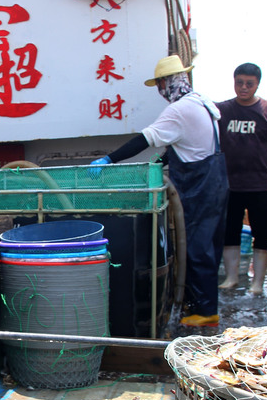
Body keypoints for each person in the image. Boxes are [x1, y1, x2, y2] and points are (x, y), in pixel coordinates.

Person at [90, 55, 228, 327]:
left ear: (168, 82)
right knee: (208, 247)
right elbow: (187, 145)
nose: (159, 91)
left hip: (199, 186)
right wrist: (158, 163)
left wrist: (110, 159)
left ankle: (206, 312)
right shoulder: (200, 101)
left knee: (198, 249)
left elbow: (146, 138)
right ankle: (201, 307)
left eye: (159, 84)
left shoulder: (178, 110)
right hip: (216, 182)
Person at [216, 62, 267, 295]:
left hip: (261, 183)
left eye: (249, 84)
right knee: (230, 231)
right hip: (230, 184)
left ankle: (257, 283)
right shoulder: (223, 110)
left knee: (263, 234)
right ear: (234, 82)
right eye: (239, 83)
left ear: (257, 84)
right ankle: (232, 278)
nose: (244, 88)